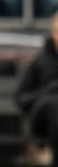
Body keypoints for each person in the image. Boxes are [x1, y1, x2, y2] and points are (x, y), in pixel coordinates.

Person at [16, 11, 58, 167]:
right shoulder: (39, 61)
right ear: (54, 33)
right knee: (55, 105)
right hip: (42, 117)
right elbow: (22, 99)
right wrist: (49, 90)